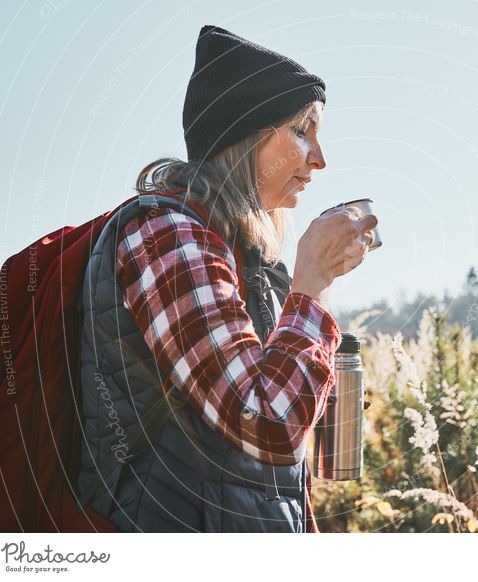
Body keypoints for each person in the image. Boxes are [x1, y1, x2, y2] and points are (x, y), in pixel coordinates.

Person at [75, 25, 378, 532]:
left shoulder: (256, 264)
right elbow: (267, 424)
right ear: (245, 135)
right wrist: (315, 285)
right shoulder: (165, 236)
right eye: (301, 131)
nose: (320, 159)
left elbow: (311, 453)